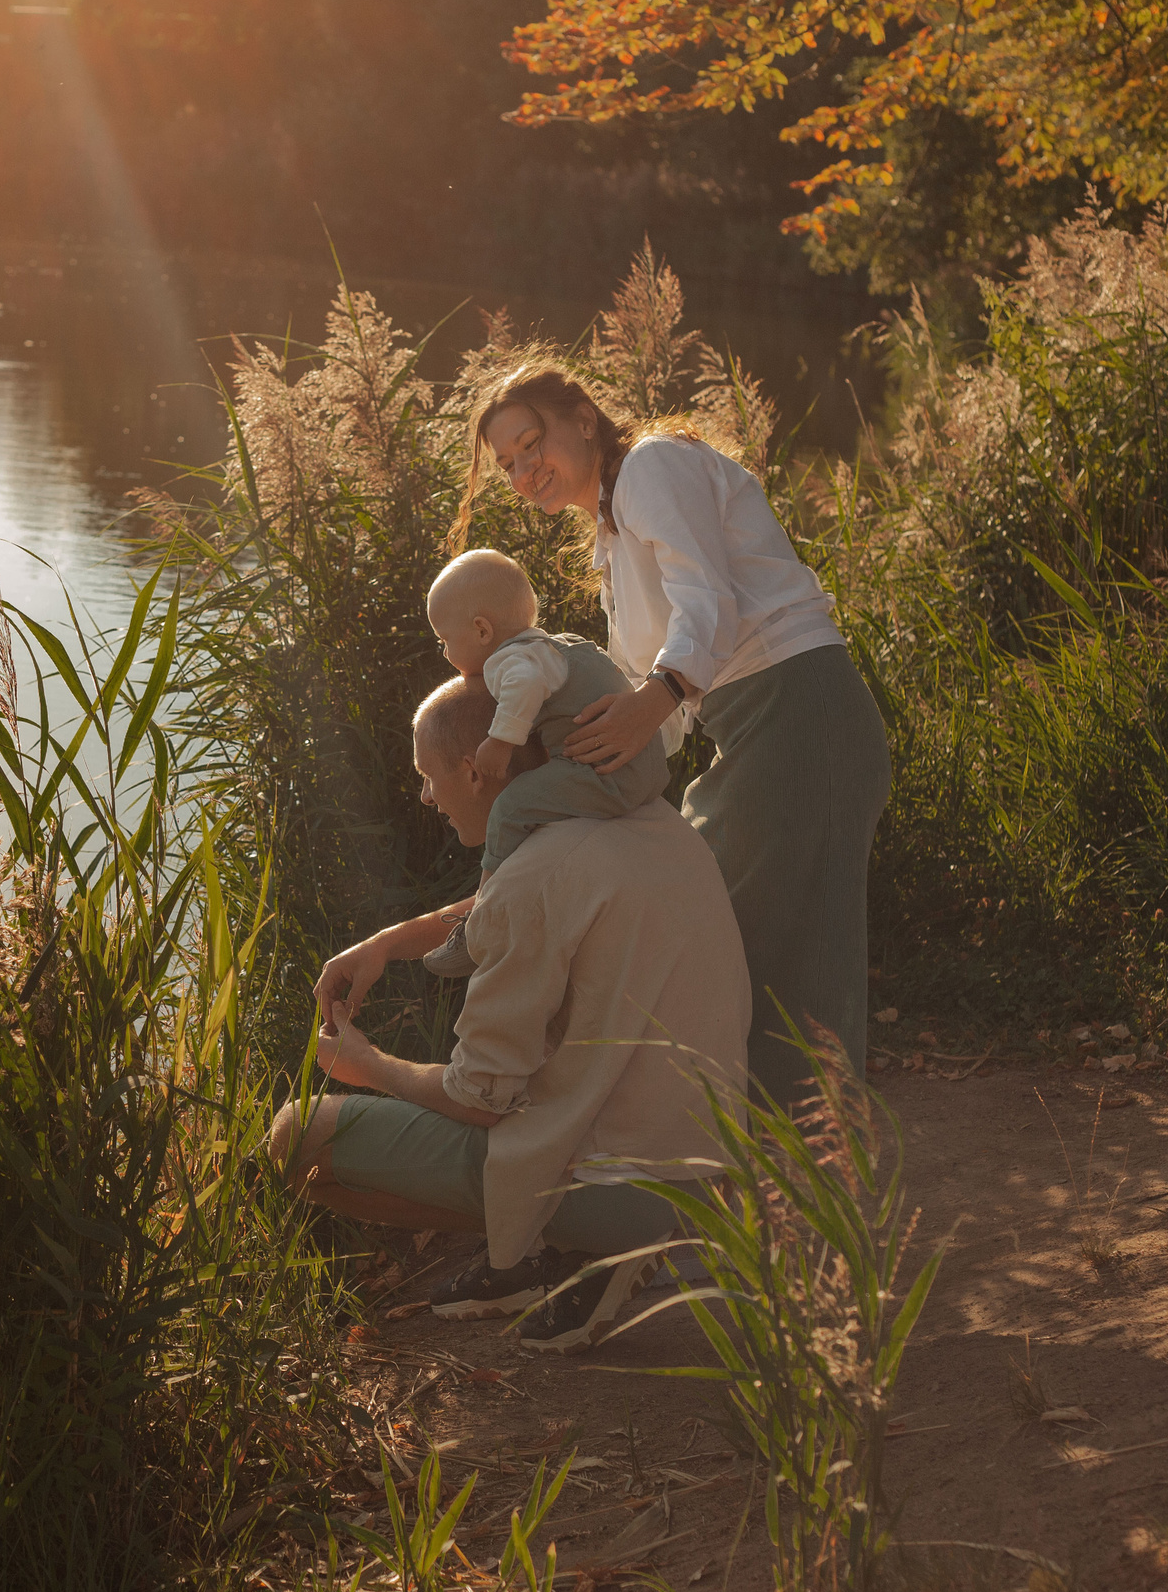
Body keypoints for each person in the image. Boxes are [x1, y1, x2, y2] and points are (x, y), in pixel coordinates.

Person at [323, 361, 890, 1110]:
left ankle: (796, 1161)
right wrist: (573, 767)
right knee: (730, 940)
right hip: (749, 730)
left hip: (796, 710)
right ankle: (770, 1154)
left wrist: (652, 700)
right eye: (509, 464)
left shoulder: (653, 466)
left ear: (583, 419)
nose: (527, 470)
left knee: (778, 952)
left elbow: (706, 603)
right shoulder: (611, 545)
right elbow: (654, 708)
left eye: (534, 444)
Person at [268, 677, 750, 1353]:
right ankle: (569, 1249)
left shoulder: (531, 882)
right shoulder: (640, 823)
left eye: (428, 777)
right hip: (702, 1168)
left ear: (472, 769)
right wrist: (385, 944)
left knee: (297, 1135)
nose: (427, 797)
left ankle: (558, 1246)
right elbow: (507, 898)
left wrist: (367, 1065)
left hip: (619, 1188)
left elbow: (481, 1099)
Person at [418, 547, 669, 977]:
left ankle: (481, 921)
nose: (444, 654)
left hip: (608, 777)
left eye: (444, 641)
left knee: (509, 809)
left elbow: (525, 685)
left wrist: (500, 740)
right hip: (644, 771)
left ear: (481, 630)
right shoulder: (553, 644)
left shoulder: (510, 662)